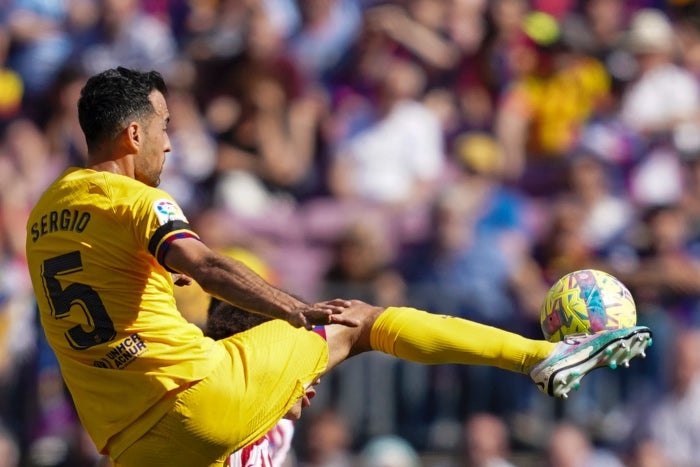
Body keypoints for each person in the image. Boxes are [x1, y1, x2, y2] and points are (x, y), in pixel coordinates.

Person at [25, 66, 653, 467]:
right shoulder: (140, 200)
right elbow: (203, 260)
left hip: (129, 447)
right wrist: (294, 310)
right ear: (134, 134)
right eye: (165, 127)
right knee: (356, 322)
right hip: (195, 402)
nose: (170, 141)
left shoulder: (43, 214)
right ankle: (539, 356)